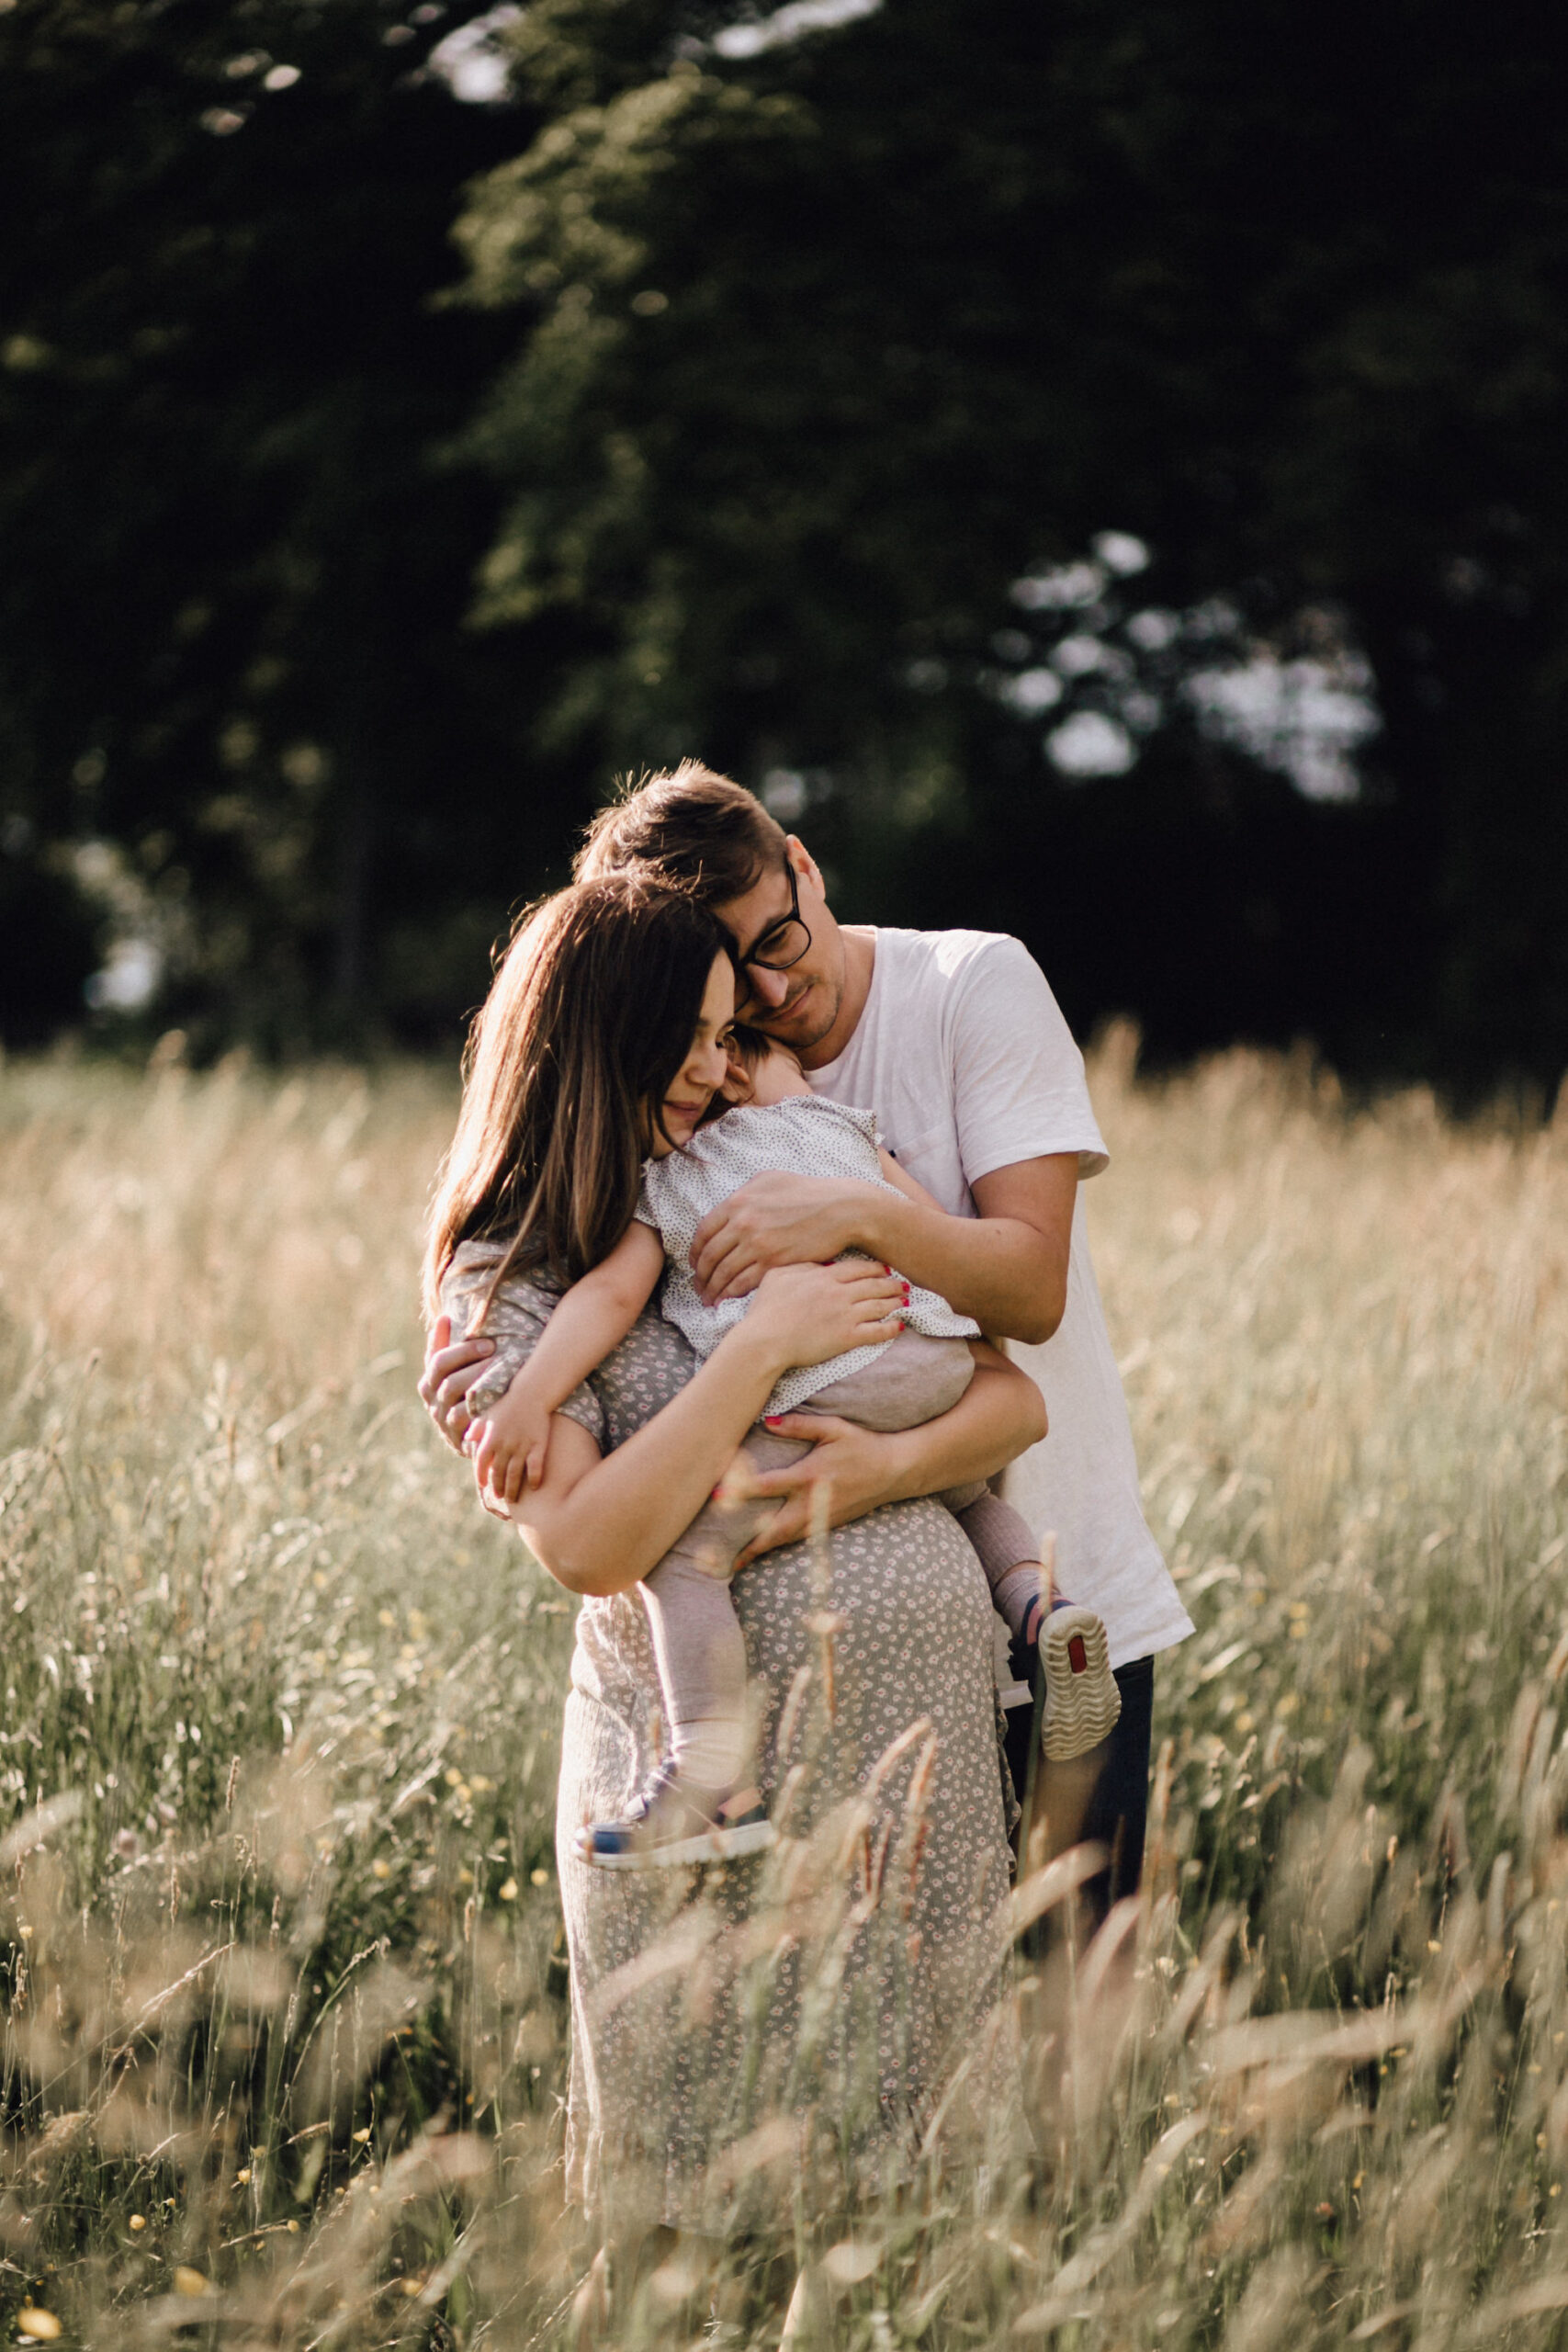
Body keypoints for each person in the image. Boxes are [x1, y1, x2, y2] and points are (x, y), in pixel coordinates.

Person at [423, 873, 1048, 2222]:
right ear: (607, 1042)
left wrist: (872, 1468)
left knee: (922, 2224)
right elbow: (589, 1542)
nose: (726, 1063)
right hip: (709, 1823)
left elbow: (1006, 1394)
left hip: (911, 1788)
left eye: (728, 1034)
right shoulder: (512, 1269)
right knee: (697, 2231)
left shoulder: (778, 1169)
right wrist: (763, 1344)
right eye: (698, 1039)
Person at [515, 760, 1194, 1910]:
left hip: (1061, 1590)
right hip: (867, 1666)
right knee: (920, 2034)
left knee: (1087, 2007)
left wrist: (855, 1216)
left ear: (806, 867)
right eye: (733, 986)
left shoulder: (970, 984)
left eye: (778, 939)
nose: (773, 995)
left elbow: (1029, 1294)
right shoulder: (694, 1087)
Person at [454, 1018, 1121, 1869]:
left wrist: (530, 1397)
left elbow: (612, 1302)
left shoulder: (670, 1178)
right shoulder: (844, 1136)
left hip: (825, 1378)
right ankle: (1039, 1605)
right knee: (967, 1494)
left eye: (725, 1045)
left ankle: (711, 1779)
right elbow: (955, 1280)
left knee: (687, 1554)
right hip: (930, 1359)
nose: (717, 1069)